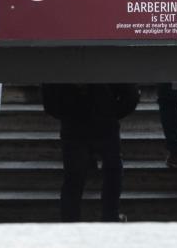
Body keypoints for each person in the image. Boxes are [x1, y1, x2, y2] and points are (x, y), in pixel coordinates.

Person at [42, 83, 139, 222]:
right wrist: (110, 112)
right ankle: (110, 216)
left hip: (74, 124)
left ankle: (70, 223)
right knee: (112, 170)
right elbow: (131, 95)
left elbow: (49, 99)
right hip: (103, 122)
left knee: (74, 177)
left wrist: (66, 113)